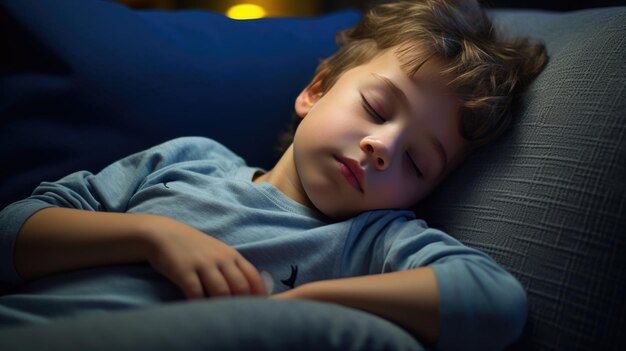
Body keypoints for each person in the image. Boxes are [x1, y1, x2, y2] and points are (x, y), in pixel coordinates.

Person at [0, 0, 547, 349]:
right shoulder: (190, 159)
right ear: (317, 89)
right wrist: (154, 236)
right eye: (378, 109)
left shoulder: (375, 240)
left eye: (417, 161)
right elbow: (13, 232)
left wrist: (303, 307)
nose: (382, 147)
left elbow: (494, 303)